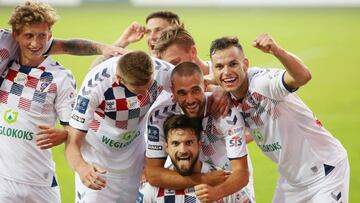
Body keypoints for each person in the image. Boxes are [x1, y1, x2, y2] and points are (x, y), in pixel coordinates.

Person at [210, 33, 350, 202]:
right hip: (291, 181)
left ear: (245, 64)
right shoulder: (230, 97)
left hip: (325, 171)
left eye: (233, 64)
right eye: (219, 67)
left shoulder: (262, 84)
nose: (226, 72)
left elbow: (303, 77)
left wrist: (277, 51)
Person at [65, 51, 173, 203]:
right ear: (119, 79)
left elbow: (196, 80)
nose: (146, 94)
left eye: (149, 85)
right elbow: (72, 143)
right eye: (139, 90)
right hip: (98, 167)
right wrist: (82, 168)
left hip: (135, 166)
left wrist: (215, 93)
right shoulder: (95, 85)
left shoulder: (162, 69)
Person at [144, 62, 254, 202]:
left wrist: (216, 192)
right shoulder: (160, 114)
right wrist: (204, 178)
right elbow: (153, 174)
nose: (190, 99)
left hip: (225, 183)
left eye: (195, 90)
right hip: (182, 177)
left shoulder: (226, 113)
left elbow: (241, 174)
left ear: (205, 86)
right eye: (182, 93)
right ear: (173, 91)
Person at [0, 1, 77, 202]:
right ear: (15, 36)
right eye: (29, 36)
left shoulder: (61, 77)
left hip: (41, 184)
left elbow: (76, 129)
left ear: (50, 35)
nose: (35, 43)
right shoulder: (5, 68)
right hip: (3, 183)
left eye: (42, 35)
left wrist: (65, 133)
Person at [138, 114, 252, 203]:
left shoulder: (224, 180)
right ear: (166, 148)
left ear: (199, 145)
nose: (182, 150)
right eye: (175, 143)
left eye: (189, 142)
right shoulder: (152, 189)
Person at [91, 10, 182, 67]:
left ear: (176, 33)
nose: (152, 37)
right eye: (148, 32)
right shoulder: (142, 67)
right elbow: (94, 72)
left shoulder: (186, 68)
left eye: (159, 30)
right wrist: (123, 40)